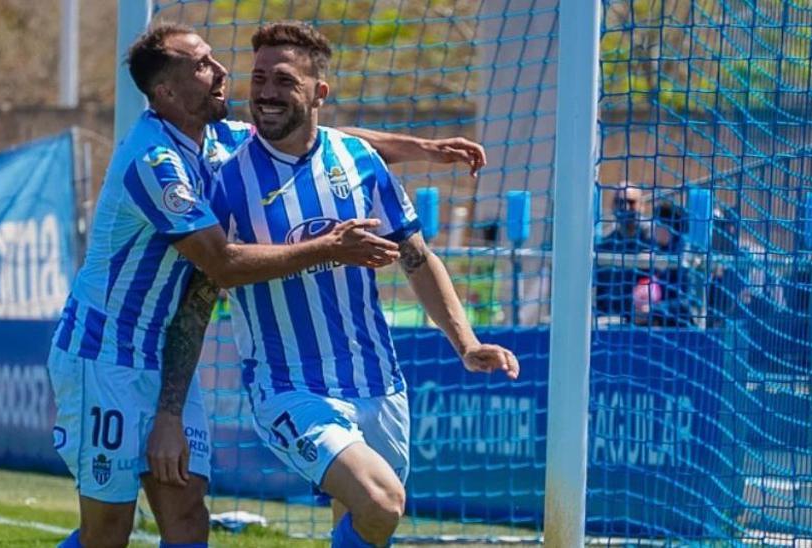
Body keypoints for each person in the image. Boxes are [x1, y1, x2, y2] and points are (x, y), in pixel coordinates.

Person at [49, 22, 487, 548]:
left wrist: (422, 149)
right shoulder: (157, 162)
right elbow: (223, 265)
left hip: (161, 354)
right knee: (108, 533)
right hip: (105, 355)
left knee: (188, 515)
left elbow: (324, 136)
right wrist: (330, 246)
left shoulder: (213, 138)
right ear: (166, 92)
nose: (222, 73)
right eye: (203, 65)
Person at [174, 22, 519, 548]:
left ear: (319, 93)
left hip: (379, 383)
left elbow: (417, 259)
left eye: (284, 80)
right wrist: (168, 407)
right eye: (259, 78)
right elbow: (204, 289)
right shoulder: (225, 177)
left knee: (367, 522)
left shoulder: (358, 161)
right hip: (289, 386)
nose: (265, 92)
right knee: (381, 501)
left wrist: (466, 343)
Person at [595, 185, 653, 253]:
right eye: (620, 202)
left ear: (642, 205)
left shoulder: (656, 238)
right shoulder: (607, 245)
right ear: (612, 206)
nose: (625, 207)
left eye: (631, 202)